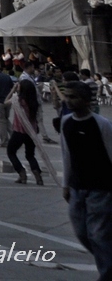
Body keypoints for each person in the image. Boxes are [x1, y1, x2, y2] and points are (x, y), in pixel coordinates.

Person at [58, 80, 112, 279]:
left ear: (86, 100)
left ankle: (107, 273)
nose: (69, 101)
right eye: (67, 96)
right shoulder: (66, 122)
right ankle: (108, 261)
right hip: (77, 187)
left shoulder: (102, 124)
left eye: (74, 97)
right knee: (82, 232)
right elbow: (66, 154)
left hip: (101, 187)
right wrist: (66, 184)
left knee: (98, 235)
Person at [9, 76, 46, 185]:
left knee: (11, 151)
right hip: (31, 131)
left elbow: (6, 101)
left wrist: (13, 90)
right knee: (30, 154)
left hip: (19, 131)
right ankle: (38, 176)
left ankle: (21, 172)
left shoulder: (18, 100)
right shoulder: (33, 101)